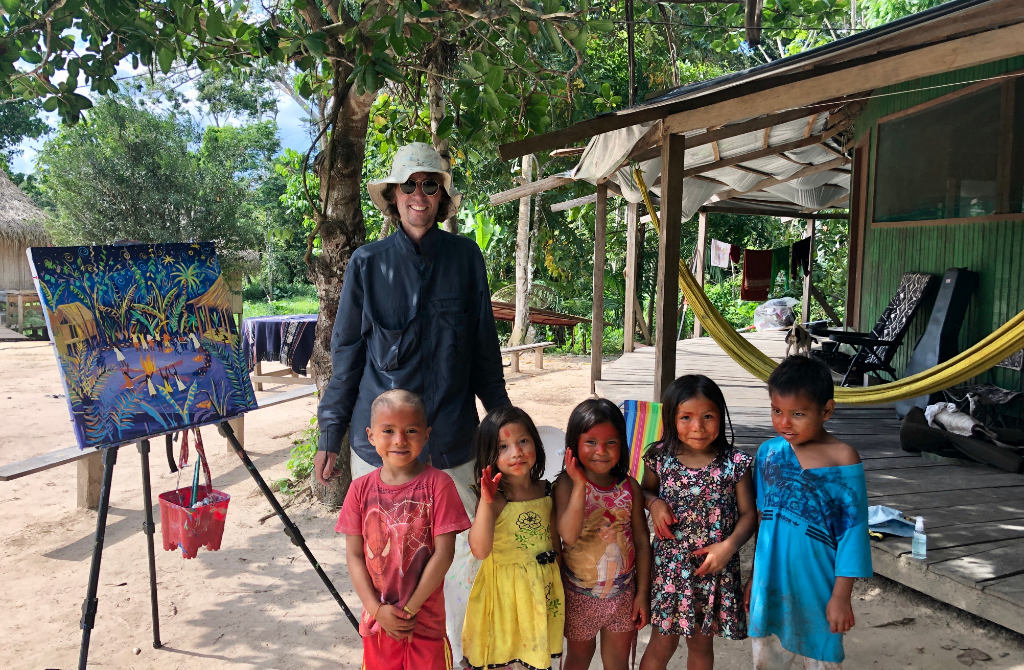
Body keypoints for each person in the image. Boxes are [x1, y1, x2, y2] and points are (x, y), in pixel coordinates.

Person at [315, 142, 511, 656]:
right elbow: (348, 355)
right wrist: (329, 434)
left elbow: (484, 350)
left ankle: (458, 657)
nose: (419, 195)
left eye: (430, 184)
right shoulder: (366, 263)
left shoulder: (466, 258)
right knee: (385, 569)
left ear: (442, 196)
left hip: (450, 442)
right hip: (382, 450)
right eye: (409, 185)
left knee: (462, 565)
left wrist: (503, 421)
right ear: (394, 195)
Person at [745, 356, 873, 669]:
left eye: (798, 414)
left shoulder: (843, 458)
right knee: (767, 658)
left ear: (826, 410)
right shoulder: (769, 453)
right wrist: (754, 578)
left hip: (818, 587)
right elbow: (764, 521)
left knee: (821, 657)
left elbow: (852, 533)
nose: (784, 423)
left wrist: (841, 597)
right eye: (777, 411)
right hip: (771, 584)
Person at [337, 389, 471, 670]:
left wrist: (409, 610)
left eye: (411, 430)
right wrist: (377, 610)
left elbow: (444, 554)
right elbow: (354, 556)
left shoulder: (438, 486)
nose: (400, 440)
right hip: (378, 623)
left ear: (426, 435)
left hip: (425, 623)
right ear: (371, 436)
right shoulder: (359, 490)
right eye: (388, 430)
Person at [638, 375, 756, 670]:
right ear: (671, 419)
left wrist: (728, 547)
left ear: (721, 416)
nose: (698, 426)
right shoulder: (659, 457)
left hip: (714, 569)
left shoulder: (735, 463)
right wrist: (654, 503)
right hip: (670, 570)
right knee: (661, 643)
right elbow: (641, 490)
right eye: (686, 417)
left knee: (702, 645)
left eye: (708, 416)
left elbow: (749, 514)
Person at [461, 406, 565, 670]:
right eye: (503, 447)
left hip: (542, 593)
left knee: (536, 657)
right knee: (505, 657)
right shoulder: (494, 499)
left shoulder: (547, 491)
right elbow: (480, 550)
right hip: (504, 597)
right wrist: (485, 502)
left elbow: (555, 544)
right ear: (489, 455)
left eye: (522, 441)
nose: (516, 452)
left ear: (535, 443)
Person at [554, 399, 651, 670]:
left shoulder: (629, 487)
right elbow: (568, 536)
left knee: (617, 664)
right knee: (577, 661)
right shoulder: (564, 485)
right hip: (578, 596)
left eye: (611, 442)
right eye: (591, 442)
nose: (601, 451)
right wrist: (579, 486)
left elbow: (642, 542)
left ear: (622, 445)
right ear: (574, 445)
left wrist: (642, 593)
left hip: (623, 596)